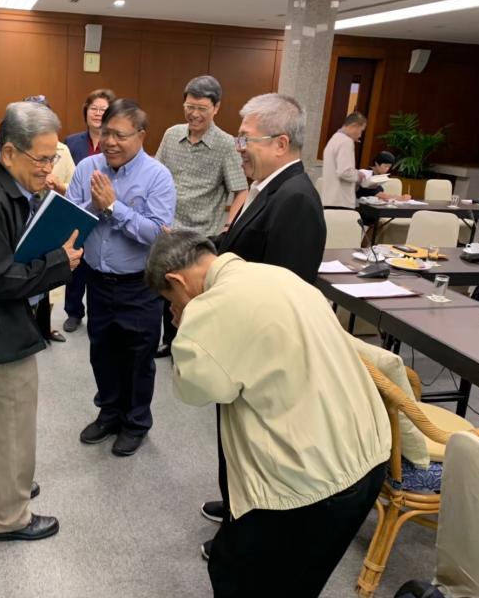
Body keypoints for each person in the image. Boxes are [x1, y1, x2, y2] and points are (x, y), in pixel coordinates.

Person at [145, 229, 390, 598]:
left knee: (234, 574)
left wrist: (186, 323)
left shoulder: (211, 307)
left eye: (170, 301)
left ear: (176, 280)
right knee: (301, 578)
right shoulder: (278, 275)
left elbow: (194, 389)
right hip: (367, 456)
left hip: (309, 482)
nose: (171, 309)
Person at [199, 92, 327, 558]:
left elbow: (284, 294)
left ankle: (239, 535)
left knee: (255, 449)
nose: (239, 149)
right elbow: (240, 248)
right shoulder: (269, 188)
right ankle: (235, 504)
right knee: (235, 441)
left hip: (262, 354)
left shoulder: (295, 200)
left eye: (245, 139)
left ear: (280, 143)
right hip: (242, 343)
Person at [0, 101, 83, 541]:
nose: (48, 169)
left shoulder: (9, 193)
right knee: (14, 423)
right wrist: (59, 261)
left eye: (53, 159)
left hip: (0, 326)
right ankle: (11, 515)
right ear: (9, 153)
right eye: (41, 159)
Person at [66, 99, 175, 457]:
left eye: (120, 135)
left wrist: (114, 208)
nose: (110, 142)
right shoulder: (87, 168)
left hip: (139, 285)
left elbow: (157, 235)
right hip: (97, 281)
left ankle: (136, 422)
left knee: (138, 357)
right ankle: (109, 413)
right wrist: (94, 207)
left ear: (141, 135)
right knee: (102, 352)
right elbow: (70, 218)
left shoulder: (157, 176)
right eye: (106, 133)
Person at [154, 75, 248, 358]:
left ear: (216, 108)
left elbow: (241, 190)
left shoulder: (226, 144)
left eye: (202, 108)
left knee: (198, 295)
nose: (194, 114)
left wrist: (229, 226)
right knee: (168, 290)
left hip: (203, 236)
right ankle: (170, 342)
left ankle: (198, 348)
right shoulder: (172, 134)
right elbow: (156, 175)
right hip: (170, 231)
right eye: (190, 107)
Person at [62, 88, 116, 333]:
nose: (97, 113)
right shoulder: (72, 142)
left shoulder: (115, 146)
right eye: (93, 108)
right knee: (75, 267)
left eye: (103, 110)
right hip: (78, 208)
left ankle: (98, 312)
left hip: (105, 213)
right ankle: (73, 312)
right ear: (86, 112)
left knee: (96, 267)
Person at [24, 94, 77, 344]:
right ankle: (27, 327)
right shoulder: (19, 149)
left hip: (51, 218)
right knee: (28, 271)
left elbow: (74, 187)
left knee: (51, 273)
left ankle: (45, 327)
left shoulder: (63, 150)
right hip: (24, 219)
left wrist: (59, 185)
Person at [322, 111, 367, 209]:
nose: (360, 135)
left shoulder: (334, 139)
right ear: (354, 126)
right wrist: (358, 176)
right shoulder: (346, 142)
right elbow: (344, 172)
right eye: (361, 131)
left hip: (329, 199)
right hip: (341, 200)